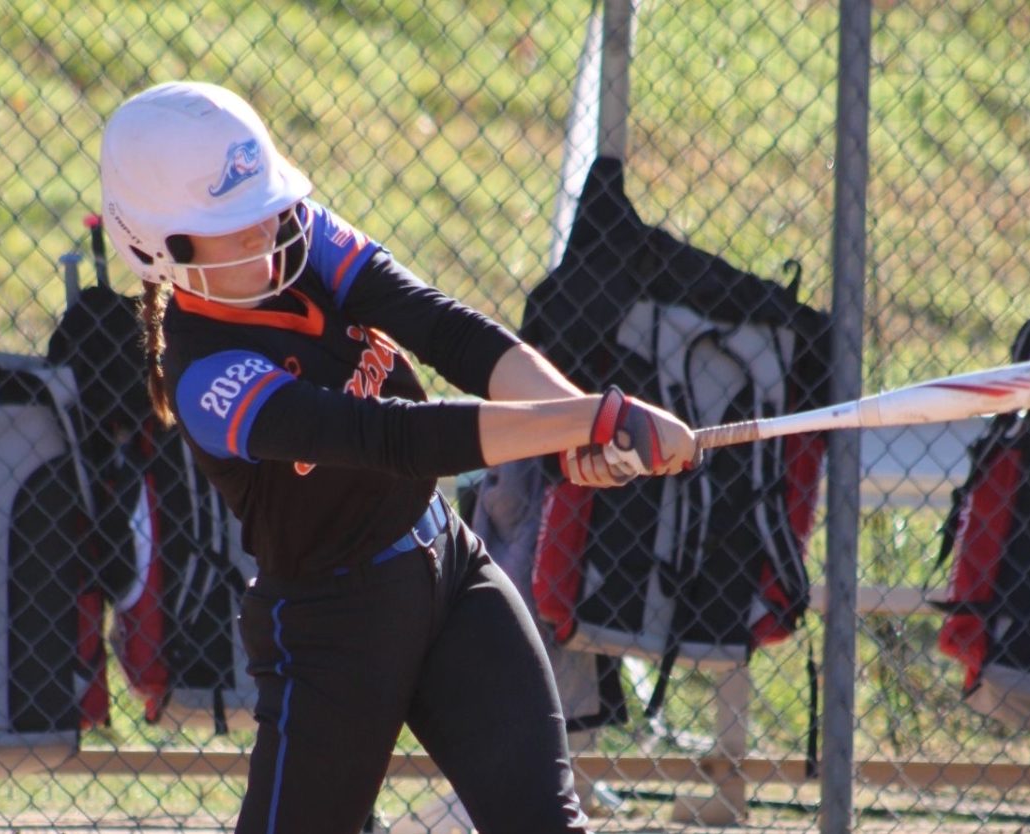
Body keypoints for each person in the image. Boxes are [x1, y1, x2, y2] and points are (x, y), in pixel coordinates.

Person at [98, 80, 698, 834]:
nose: (264, 230)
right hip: (332, 627)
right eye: (233, 221)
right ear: (163, 246)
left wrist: (578, 426)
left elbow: (445, 330)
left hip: (446, 570)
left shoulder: (303, 235)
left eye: (264, 205)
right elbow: (392, 438)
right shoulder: (204, 375)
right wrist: (588, 417)